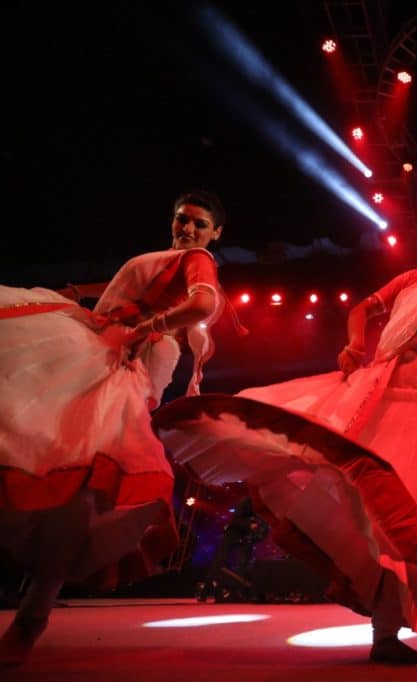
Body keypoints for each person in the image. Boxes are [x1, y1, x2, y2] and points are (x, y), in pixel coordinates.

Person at [154, 217, 417, 664]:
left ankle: (385, 633)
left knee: (405, 512)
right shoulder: (415, 280)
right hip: (381, 390)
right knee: (367, 500)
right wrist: (356, 345)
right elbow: (360, 310)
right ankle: (383, 633)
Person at [0, 190, 228, 665]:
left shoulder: (197, 259)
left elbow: (203, 304)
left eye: (199, 224)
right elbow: (138, 294)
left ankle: (35, 610)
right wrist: (83, 293)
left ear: (215, 234)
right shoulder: (170, 259)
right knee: (57, 450)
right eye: (182, 219)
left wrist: (150, 327)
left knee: (82, 467)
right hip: (107, 343)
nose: (187, 229)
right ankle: (35, 602)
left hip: (130, 356)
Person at [196, 496, 269, 602]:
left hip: (246, 538)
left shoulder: (263, 505)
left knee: (243, 565)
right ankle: (205, 592)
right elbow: (235, 520)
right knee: (218, 564)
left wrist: (258, 532)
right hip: (232, 535)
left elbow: (263, 524)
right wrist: (250, 524)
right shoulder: (246, 501)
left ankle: (238, 592)